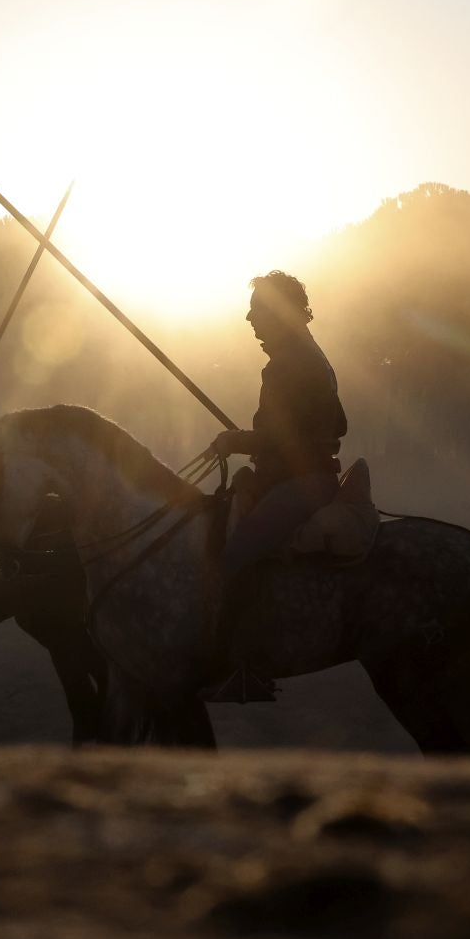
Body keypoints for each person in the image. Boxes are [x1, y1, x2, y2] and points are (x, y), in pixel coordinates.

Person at [203, 271, 348, 700]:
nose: (250, 320)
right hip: (303, 478)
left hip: (301, 485)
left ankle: (243, 668)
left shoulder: (290, 364)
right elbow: (338, 422)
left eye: (258, 311)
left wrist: (237, 441)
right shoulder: (308, 356)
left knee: (234, 557)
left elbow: (290, 439)